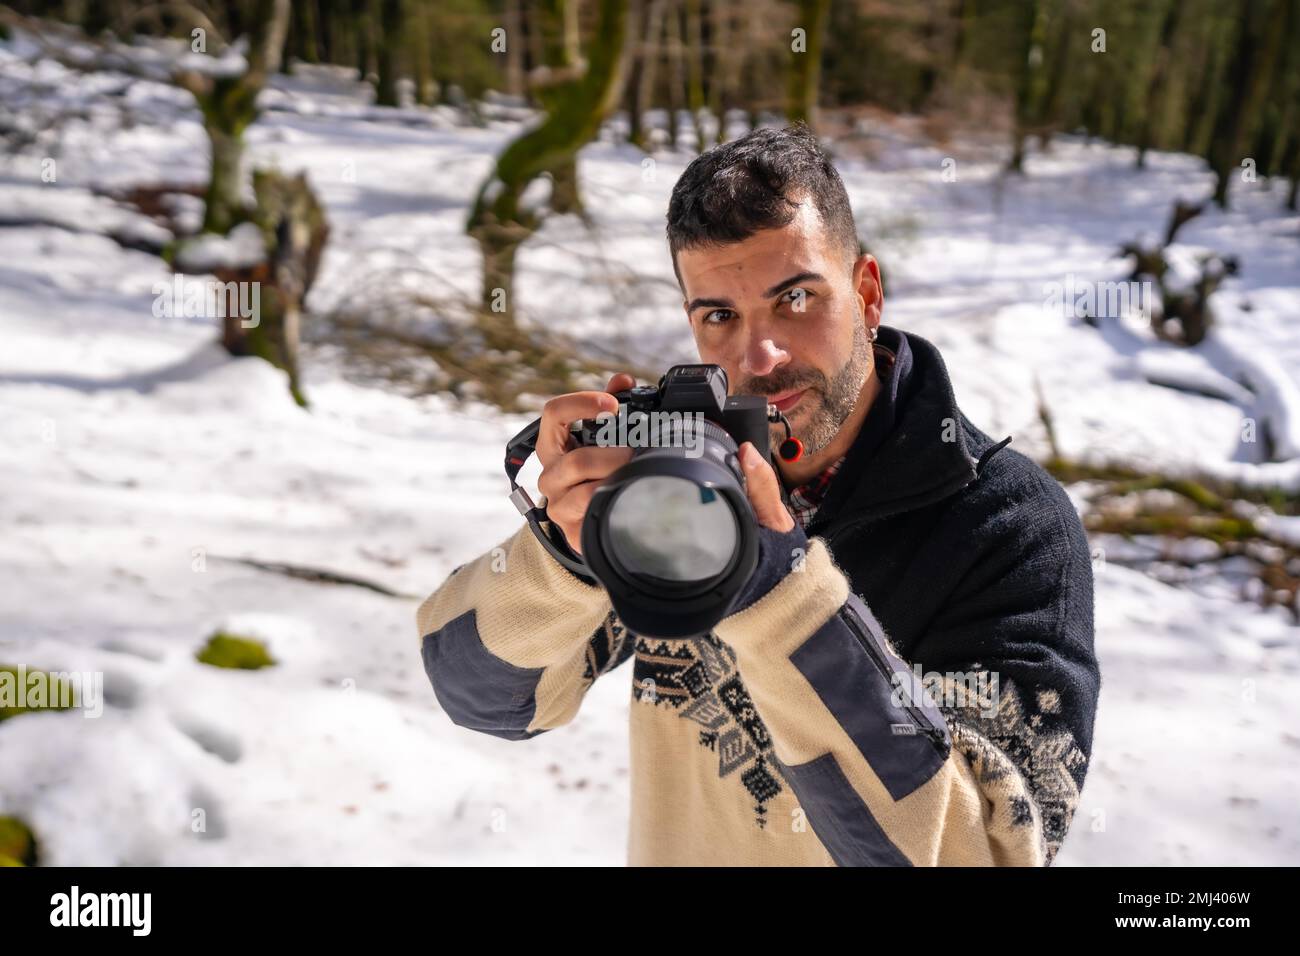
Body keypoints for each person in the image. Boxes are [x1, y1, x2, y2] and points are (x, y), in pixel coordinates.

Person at [417, 123, 1100, 866]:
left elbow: (989, 856)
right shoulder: (682, 483)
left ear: (866, 293)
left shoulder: (1008, 524)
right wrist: (567, 555)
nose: (761, 357)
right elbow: (486, 699)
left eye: (796, 297)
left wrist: (779, 591)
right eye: (720, 315)